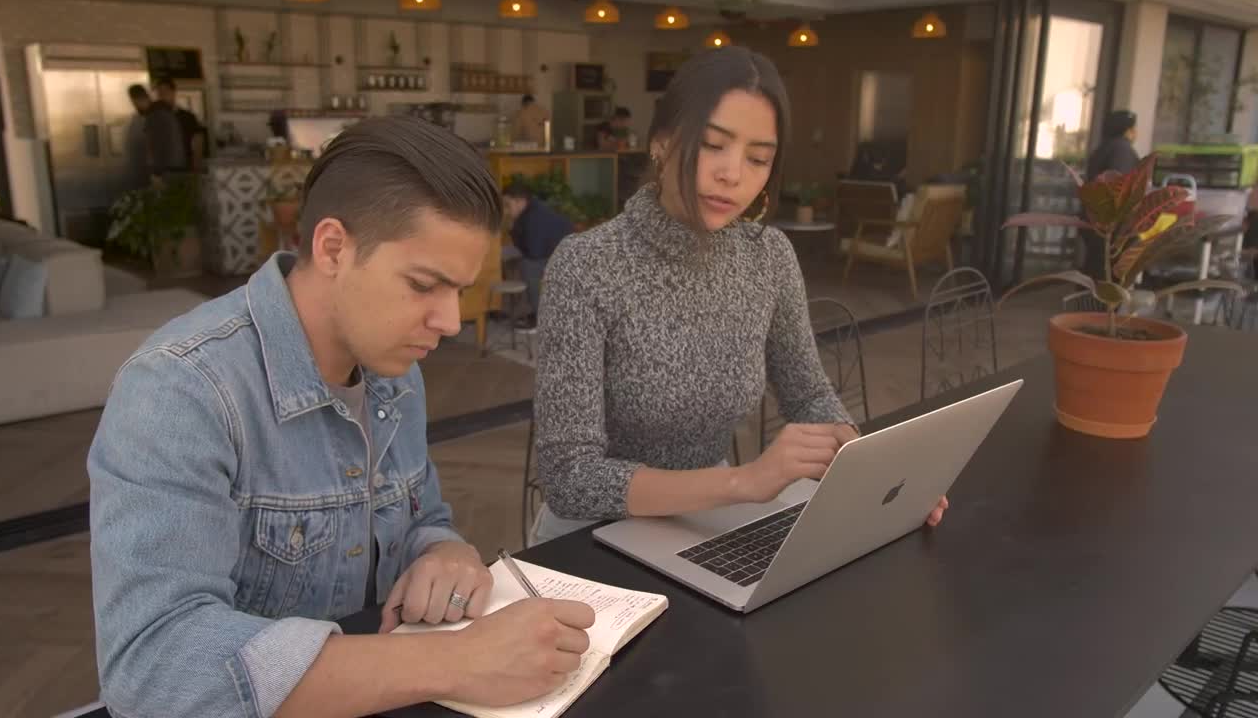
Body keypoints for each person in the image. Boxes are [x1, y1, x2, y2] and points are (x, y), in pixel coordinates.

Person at [89, 116, 596, 718]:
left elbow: (418, 515)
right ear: (333, 248)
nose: (451, 321)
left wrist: (444, 552)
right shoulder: (182, 389)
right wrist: (458, 662)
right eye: (423, 285)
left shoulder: (394, 370)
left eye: (458, 290)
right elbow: (153, 666)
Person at [529, 46, 948, 545]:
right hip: (591, 542)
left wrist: (874, 474)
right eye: (713, 145)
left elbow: (808, 393)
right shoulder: (586, 266)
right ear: (661, 142)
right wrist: (743, 482)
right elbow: (570, 477)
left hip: (708, 521)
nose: (733, 174)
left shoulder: (768, 257)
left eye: (758, 158)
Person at [502, 182, 574, 324]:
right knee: (507, 256)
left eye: (508, 205)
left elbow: (533, 252)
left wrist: (513, 229)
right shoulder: (530, 210)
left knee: (528, 266)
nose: (506, 210)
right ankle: (511, 306)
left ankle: (539, 318)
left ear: (520, 202)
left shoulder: (533, 218)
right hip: (553, 252)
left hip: (562, 257)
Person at [1081, 110, 1140, 277]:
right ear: (1128, 130)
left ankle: (1087, 302)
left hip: (1095, 219)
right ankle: (1100, 303)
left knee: (1094, 267)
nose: (1136, 133)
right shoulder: (1122, 150)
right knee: (1108, 273)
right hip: (1111, 224)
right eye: (1134, 128)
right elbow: (1119, 185)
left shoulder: (1103, 148)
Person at [125, 82, 186, 184]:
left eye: (134, 103)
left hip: (167, 171)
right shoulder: (164, 112)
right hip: (176, 167)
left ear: (138, 99)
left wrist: (156, 172)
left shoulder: (154, 116)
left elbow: (155, 147)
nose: (135, 107)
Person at [155, 77, 208, 172]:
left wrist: (196, 166)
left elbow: (198, 141)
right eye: (159, 94)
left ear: (173, 93)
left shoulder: (187, 117)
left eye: (165, 92)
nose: (162, 96)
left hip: (184, 167)